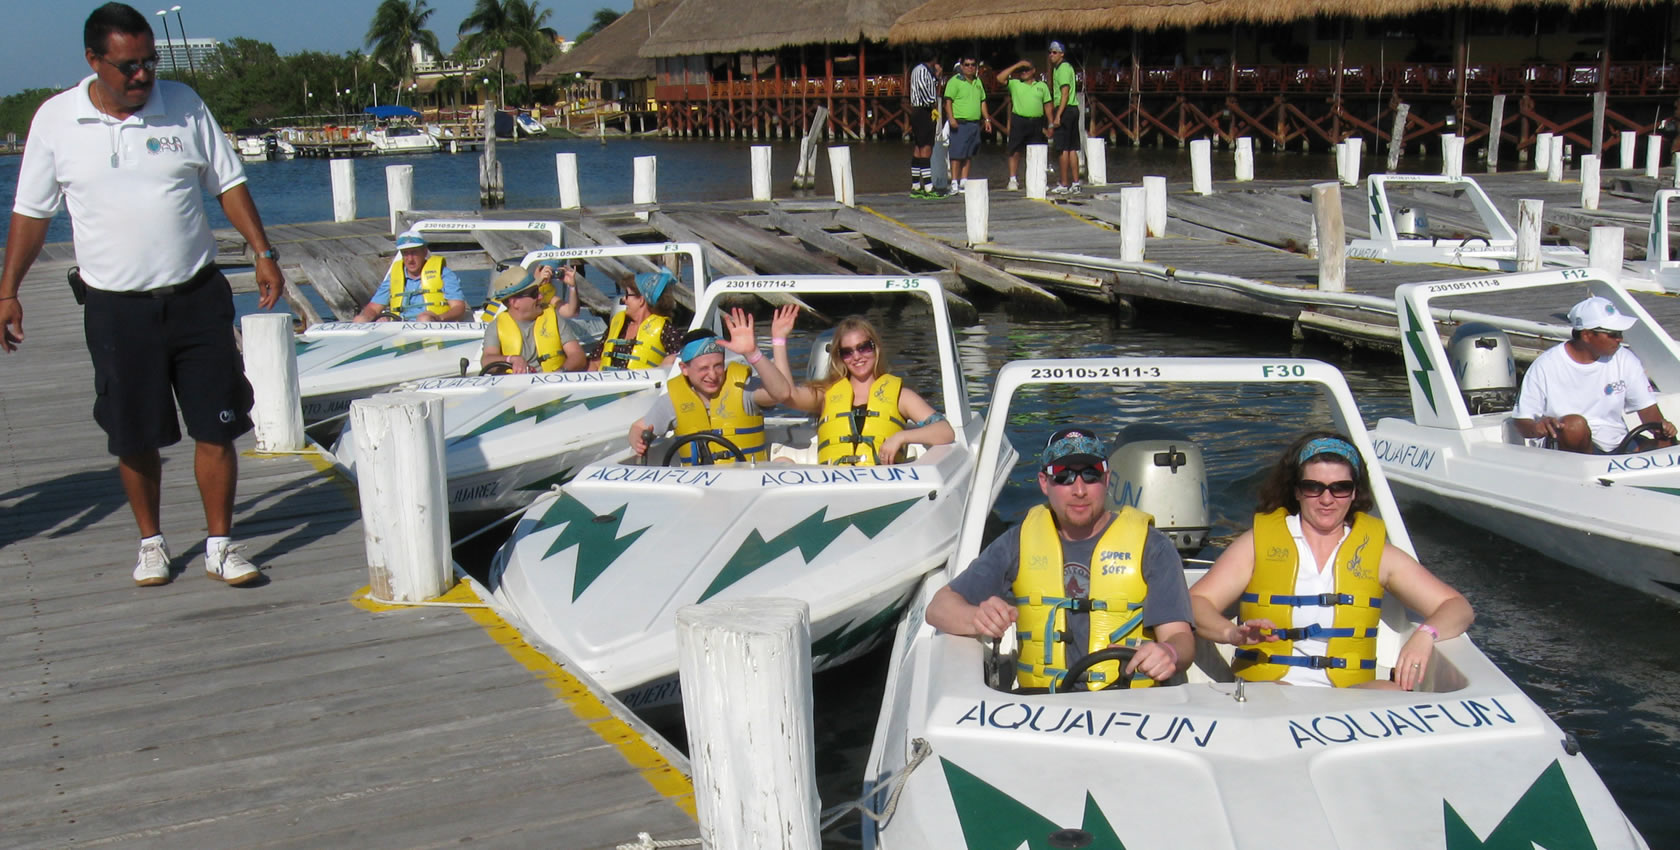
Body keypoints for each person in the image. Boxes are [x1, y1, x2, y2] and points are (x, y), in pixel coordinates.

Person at [0, 3, 286, 587]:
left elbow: (228, 181)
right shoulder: (55, 121)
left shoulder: (183, 104)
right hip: (115, 308)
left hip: (196, 295)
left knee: (217, 425)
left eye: (150, 63)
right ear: (94, 61)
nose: (142, 76)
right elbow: (31, 214)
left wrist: (262, 251)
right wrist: (8, 292)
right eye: (129, 66)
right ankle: (151, 543)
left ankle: (221, 544)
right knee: (134, 434)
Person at [1189, 432, 1474, 691]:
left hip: (1350, 693)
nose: (1327, 499)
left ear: (1353, 493)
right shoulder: (1257, 543)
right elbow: (1196, 601)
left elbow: (1456, 607)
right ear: (1297, 491)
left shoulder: (1377, 553)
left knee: (1392, 694)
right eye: (1314, 487)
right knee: (1278, 698)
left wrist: (1425, 635)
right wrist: (1231, 633)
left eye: (1339, 487)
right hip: (1272, 688)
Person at [926, 427, 1195, 690]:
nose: (1079, 490)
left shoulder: (1154, 547)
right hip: (1042, 704)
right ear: (1045, 483)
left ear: (1107, 479)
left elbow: (1179, 637)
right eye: (1064, 476)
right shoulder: (1017, 542)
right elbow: (938, 608)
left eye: (1091, 475)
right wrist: (978, 618)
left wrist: (1168, 652)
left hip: (1127, 701)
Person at [628, 306, 798, 465]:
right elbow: (638, 427)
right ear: (684, 369)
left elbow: (782, 393)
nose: (713, 375)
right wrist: (637, 439)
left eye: (718, 366)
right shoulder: (672, 401)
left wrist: (752, 353)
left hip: (747, 486)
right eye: (703, 368)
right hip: (698, 488)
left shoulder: (743, 389)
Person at [780, 317, 955, 465]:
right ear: (839, 357)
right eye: (847, 352)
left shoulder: (901, 396)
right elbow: (786, 394)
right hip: (832, 484)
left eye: (863, 347)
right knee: (782, 462)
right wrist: (778, 341)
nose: (856, 356)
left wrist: (901, 437)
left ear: (875, 347)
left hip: (880, 486)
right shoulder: (826, 394)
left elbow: (944, 431)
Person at [1513, 295, 1676, 453]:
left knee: (1667, 443)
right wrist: (1537, 428)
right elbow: (1522, 420)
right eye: (1613, 334)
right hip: (1565, 445)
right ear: (1587, 335)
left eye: (1620, 333)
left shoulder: (1625, 359)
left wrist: (1664, 429)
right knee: (1574, 425)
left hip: (1617, 442)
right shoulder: (1545, 365)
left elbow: (1648, 410)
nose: (1619, 339)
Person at [479, 264, 586, 374]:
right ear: (514, 302)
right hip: (516, 387)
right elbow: (486, 360)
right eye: (534, 293)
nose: (540, 297)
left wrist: (559, 373)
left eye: (538, 291)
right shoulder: (496, 326)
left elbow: (577, 356)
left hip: (553, 384)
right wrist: (511, 359)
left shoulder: (553, 317)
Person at [353, 229, 467, 322]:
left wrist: (439, 318)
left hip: (431, 325)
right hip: (400, 328)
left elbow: (458, 307)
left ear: (424, 252)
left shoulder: (444, 274)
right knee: (361, 319)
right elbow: (374, 307)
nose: (410, 259)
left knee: (424, 319)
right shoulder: (394, 276)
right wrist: (366, 317)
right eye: (405, 254)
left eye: (414, 253)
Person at [595, 269, 686, 371]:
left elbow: (686, 358)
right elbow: (596, 359)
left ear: (641, 300)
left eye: (627, 294)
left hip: (642, 385)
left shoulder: (665, 329)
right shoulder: (619, 324)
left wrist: (668, 363)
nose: (623, 299)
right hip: (608, 383)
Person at [996, 60, 1052, 192]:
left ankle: (1038, 179)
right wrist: (1017, 65)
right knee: (1015, 151)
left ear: (1033, 71)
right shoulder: (1015, 83)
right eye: (1022, 70)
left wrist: (1051, 124)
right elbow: (1000, 78)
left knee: (1038, 151)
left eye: (1027, 69)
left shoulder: (1042, 86)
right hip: (1019, 120)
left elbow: (1048, 105)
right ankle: (1013, 179)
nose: (1024, 72)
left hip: (1037, 121)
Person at [942, 56, 991, 197]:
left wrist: (987, 119)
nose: (970, 67)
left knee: (969, 154)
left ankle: (964, 181)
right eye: (967, 64)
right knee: (957, 154)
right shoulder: (954, 81)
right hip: (960, 122)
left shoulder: (977, 82)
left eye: (973, 65)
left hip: (974, 123)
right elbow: (948, 102)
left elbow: (983, 101)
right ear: (962, 66)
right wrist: (951, 118)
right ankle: (954, 183)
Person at [1047, 41, 1081, 195]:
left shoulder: (1062, 69)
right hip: (1072, 109)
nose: (1051, 55)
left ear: (1062, 54)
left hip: (1065, 109)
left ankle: (1064, 183)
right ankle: (1075, 182)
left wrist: (1058, 115)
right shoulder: (1064, 68)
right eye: (1050, 52)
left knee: (1063, 149)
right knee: (1072, 148)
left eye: (1055, 52)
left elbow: (1065, 93)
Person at [907, 52, 942, 199]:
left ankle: (916, 184)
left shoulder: (916, 69)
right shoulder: (923, 71)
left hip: (917, 111)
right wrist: (938, 77)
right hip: (924, 111)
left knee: (918, 146)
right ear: (933, 59)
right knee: (926, 147)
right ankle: (928, 186)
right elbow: (929, 94)